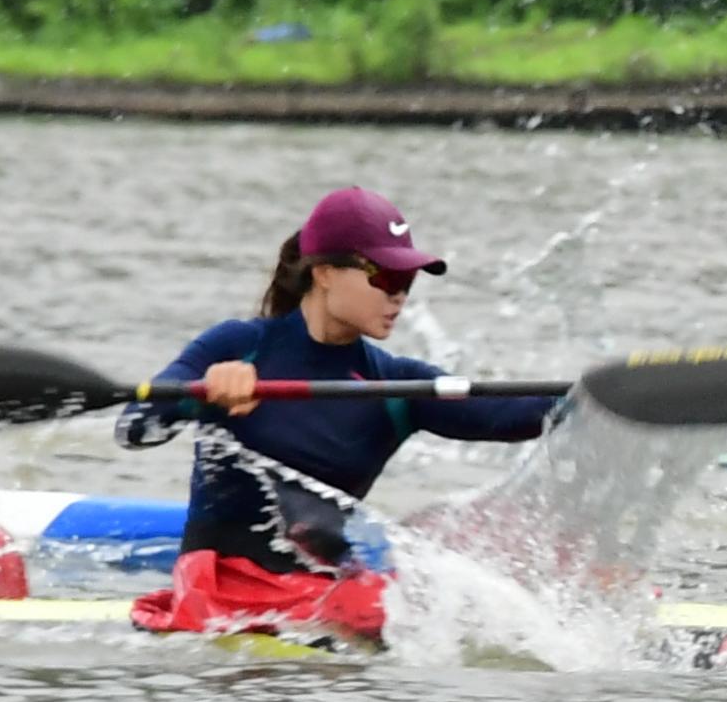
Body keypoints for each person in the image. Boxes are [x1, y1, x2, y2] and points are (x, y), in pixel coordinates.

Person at [119, 186, 556, 633]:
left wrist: (601, 397)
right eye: (385, 278)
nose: (399, 297)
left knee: (447, 601)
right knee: (393, 609)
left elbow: (516, 414)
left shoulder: (394, 385)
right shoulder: (238, 346)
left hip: (326, 592)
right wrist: (198, 393)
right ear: (325, 273)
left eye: (407, 282)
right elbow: (135, 428)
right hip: (221, 590)